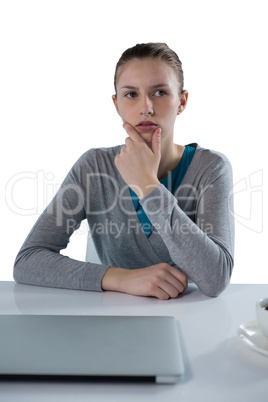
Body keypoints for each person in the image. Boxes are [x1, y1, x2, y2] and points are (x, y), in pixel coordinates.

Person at [13, 42, 235, 299]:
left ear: (182, 102)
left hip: (193, 321)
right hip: (113, 321)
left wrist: (147, 184)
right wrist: (121, 278)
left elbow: (216, 278)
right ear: (116, 104)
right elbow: (28, 260)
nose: (146, 108)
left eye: (160, 92)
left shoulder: (211, 169)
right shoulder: (93, 167)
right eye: (131, 94)